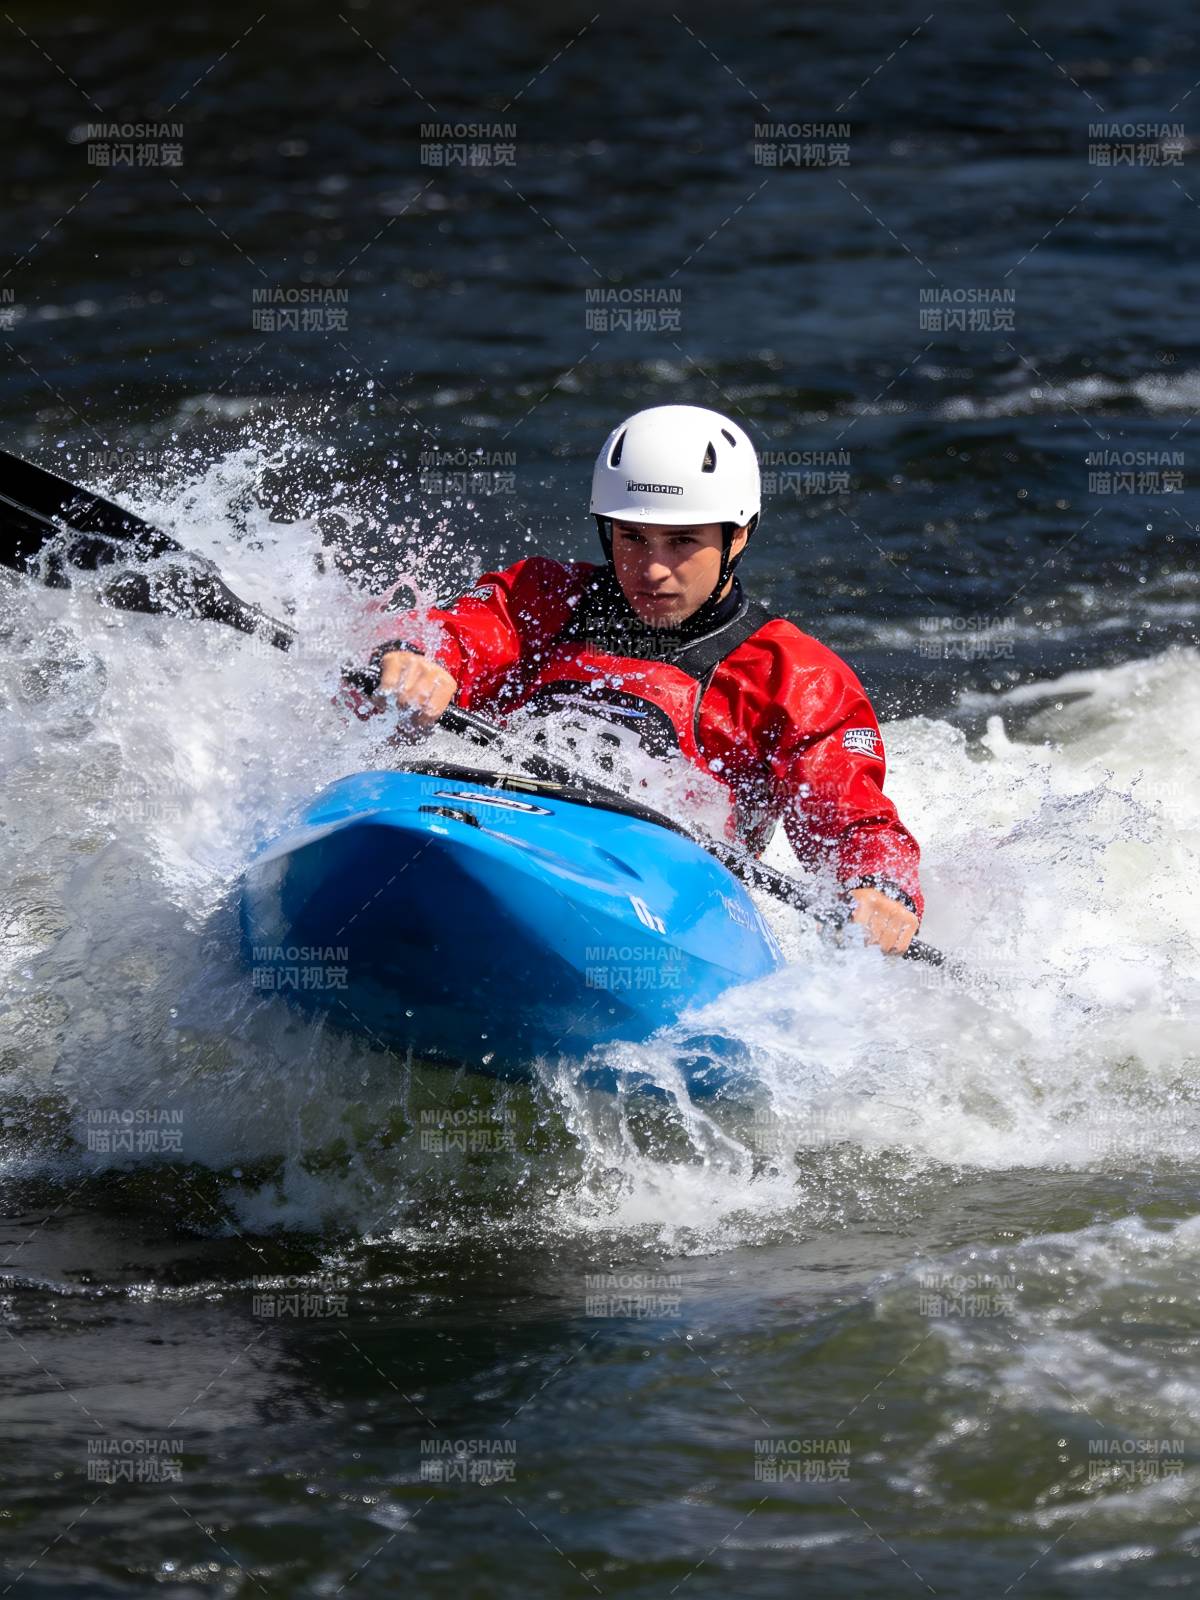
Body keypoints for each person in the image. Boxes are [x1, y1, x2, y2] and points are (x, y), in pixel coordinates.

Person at [350, 404, 923, 953]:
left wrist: (881, 887)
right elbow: (456, 632)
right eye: (632, 538)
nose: (651, 569)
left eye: (682, 542)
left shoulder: (793, 678)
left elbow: (854, 819)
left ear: (737, 536)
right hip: (490, 831)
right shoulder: (541, 598)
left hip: (659, 899)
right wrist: (415, 658)